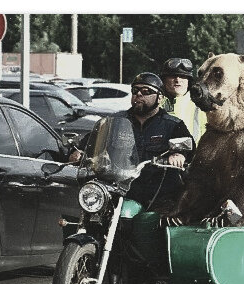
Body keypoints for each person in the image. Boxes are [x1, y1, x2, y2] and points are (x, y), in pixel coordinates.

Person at [70, 72, 195, 211]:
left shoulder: (172, 125)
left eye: (146, 91)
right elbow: (88, 144)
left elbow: (189, 148)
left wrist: (180, 155)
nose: (139, 94)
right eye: (135, 91)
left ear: (160, 97)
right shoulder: (115, 121)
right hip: (119, 189)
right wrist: (77, 152)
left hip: (158, 194)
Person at [159, 58, 207, 143]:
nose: (178, 80)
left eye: (183, 76)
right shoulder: (153, 104)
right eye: (173, 76)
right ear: (163, 80)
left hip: (194, 155)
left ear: (189, 81)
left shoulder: (201, 106)